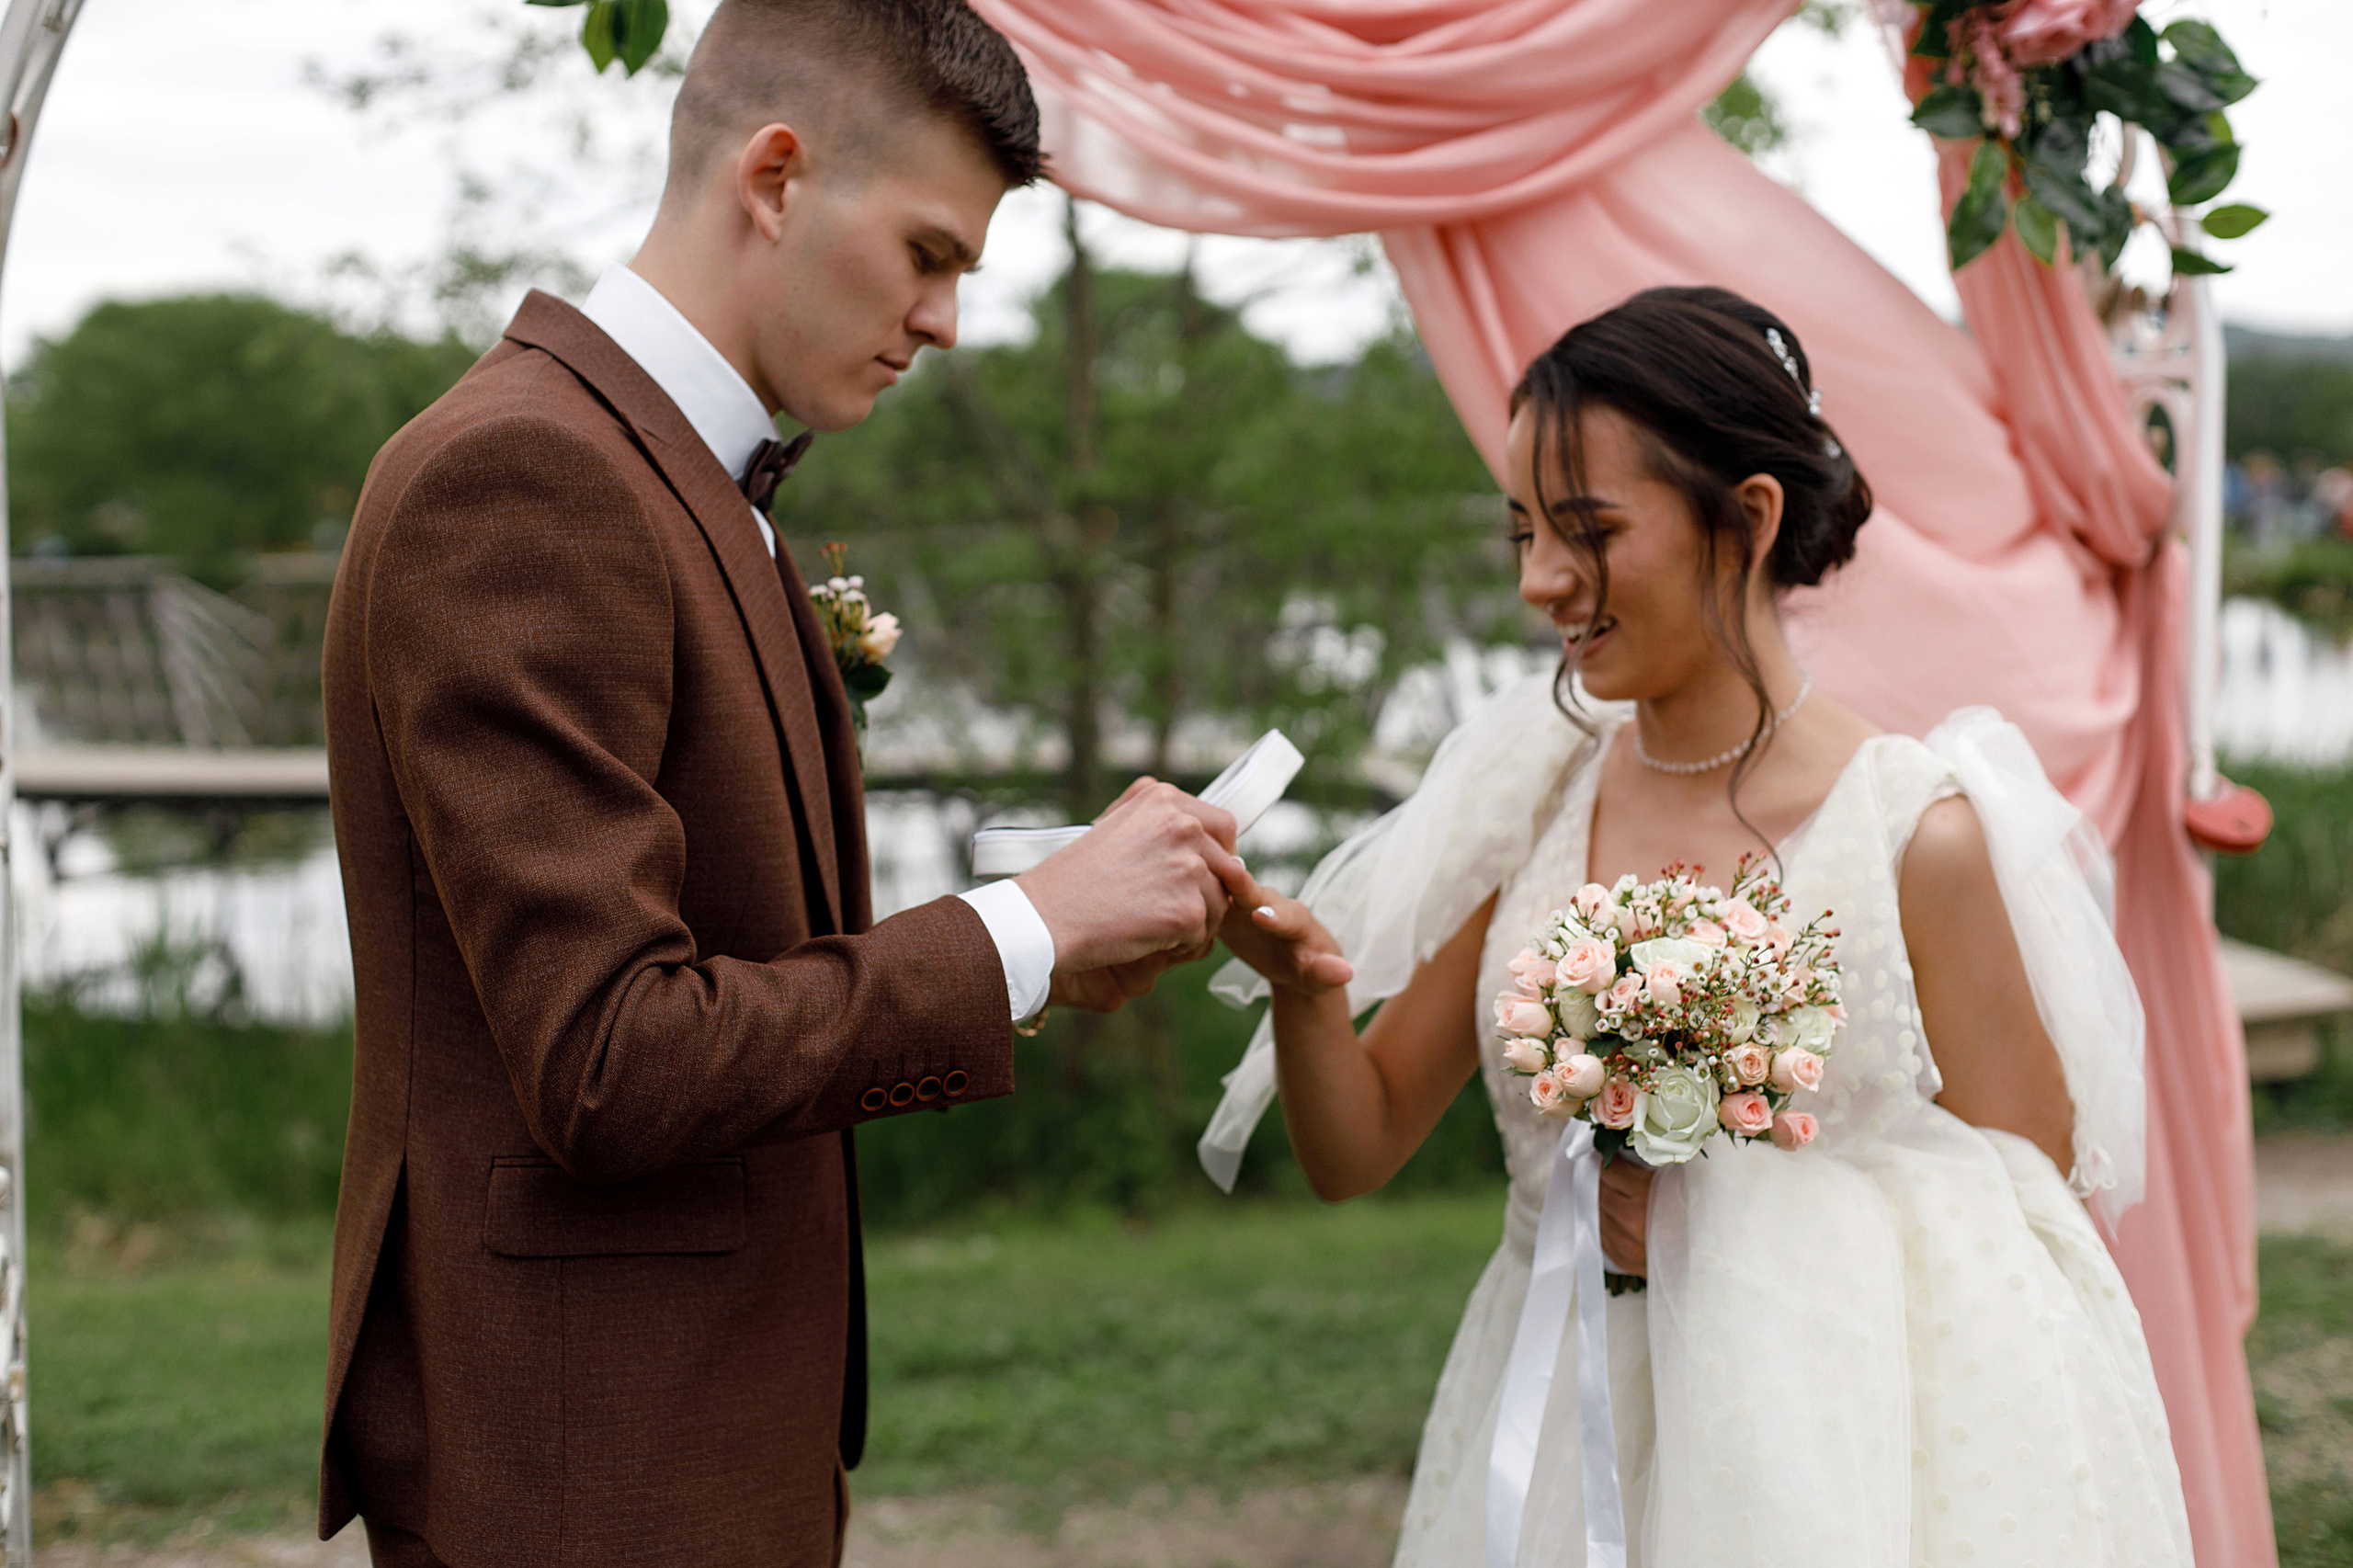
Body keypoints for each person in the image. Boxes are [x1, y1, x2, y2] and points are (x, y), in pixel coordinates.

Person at [316, 5, 1291, 1564]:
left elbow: (724, 961)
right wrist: (1014, 933)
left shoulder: (689, 480)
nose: (948, 319)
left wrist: (1052, 954)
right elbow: (610, 1058)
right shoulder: (523, 477)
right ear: (774, 177)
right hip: (586, 1470)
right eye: (927, 252)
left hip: (690, 1434)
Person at [1211, 288, 2192, 1565]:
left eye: (1588, 530)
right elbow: (1357, 1147)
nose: (1539, 581)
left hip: (1838, 1459)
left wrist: (1728, 1218)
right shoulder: (1536, 791)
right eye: (1520, 531)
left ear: (1750, 517)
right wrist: (1304, 989)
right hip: (1556, 1427)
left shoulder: (1915, 835)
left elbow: (2030, 1237)